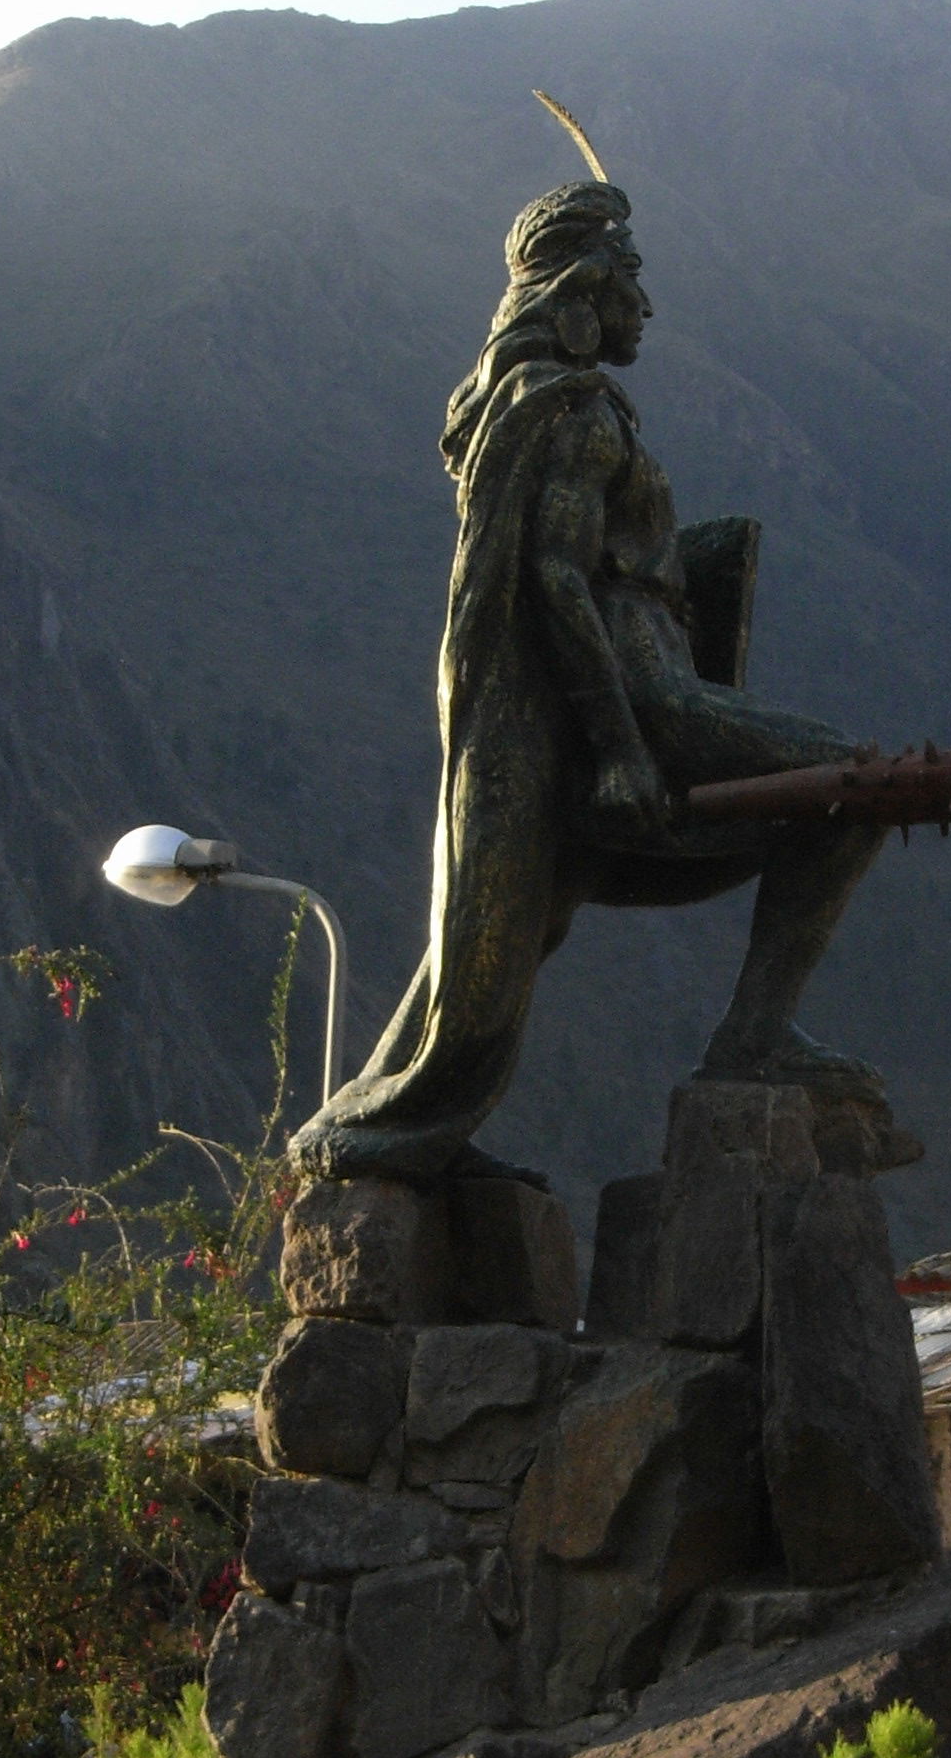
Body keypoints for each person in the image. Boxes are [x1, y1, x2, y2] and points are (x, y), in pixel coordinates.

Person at [293, 174, 888, 1186]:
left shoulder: (543, 407)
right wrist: (617, 745)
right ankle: (754, 1035)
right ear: (578, 287)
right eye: (630, 278)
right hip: (650, 698)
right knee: (853, 783)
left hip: (644, 686)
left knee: (499, 940)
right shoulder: (573, 413)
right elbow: (556, 578)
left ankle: (391, 1114)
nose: (644, 306)